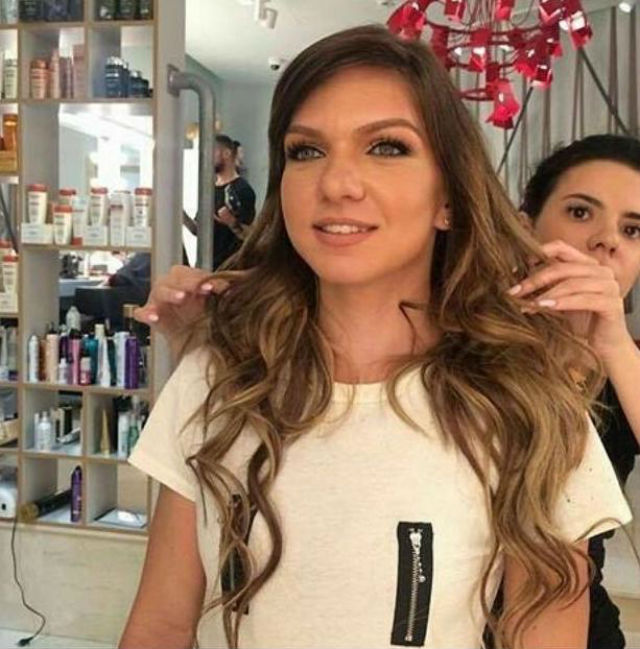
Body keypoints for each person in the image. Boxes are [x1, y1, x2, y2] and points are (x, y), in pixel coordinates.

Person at [120, 26, 631, 649]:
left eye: (387, 147)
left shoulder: (526, 402)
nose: (337, 183)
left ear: (449, 198)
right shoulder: (218, 376)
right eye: (306, 151)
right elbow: (161, 625)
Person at [518, 134, 640, 649]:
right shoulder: (461, 343)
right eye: (580, 212)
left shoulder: (627, 365)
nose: (607, 240)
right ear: (525, 228)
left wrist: (613, 342)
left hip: (584, 628)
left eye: (632, 229)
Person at [183, 134, 256, 269]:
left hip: (231, 269)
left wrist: (231, 222)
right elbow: (198, 230)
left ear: (226, 154)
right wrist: (181, 215)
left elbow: (250, 237)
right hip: (207, 267)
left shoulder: (242, 189)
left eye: (212, 151)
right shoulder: (209, 191)